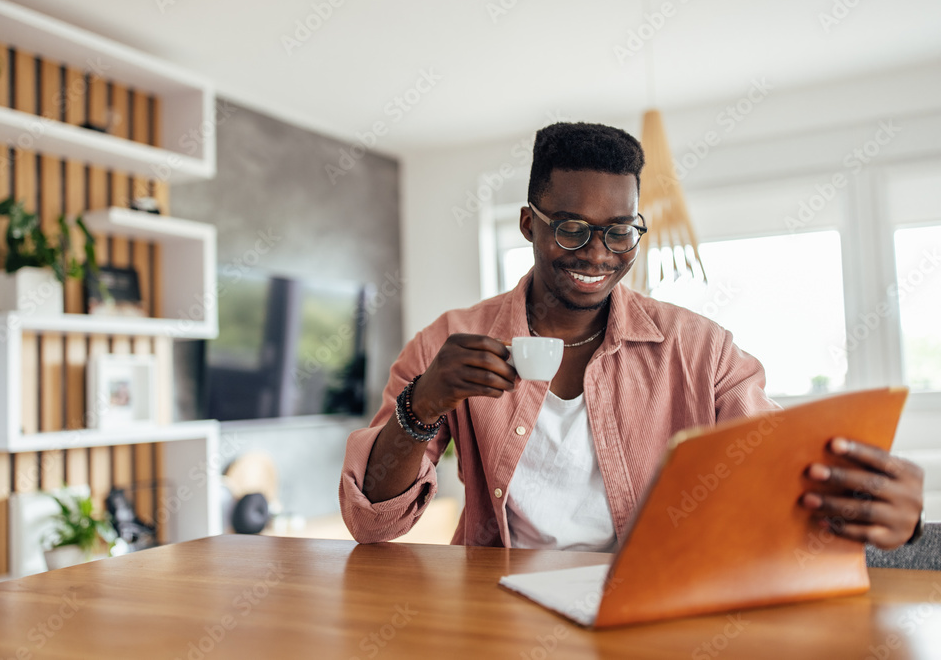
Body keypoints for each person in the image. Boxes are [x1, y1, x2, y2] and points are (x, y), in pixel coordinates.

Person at [339, 122, 925, 552]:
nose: (597, 253)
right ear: (528, 224)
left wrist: (890, 517)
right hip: (498, 604)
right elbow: (372, 525)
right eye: (571, 229)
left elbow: (771, 477)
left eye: (620, 231)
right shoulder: (448, 343)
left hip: (651, 599)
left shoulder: (702, 352)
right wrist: (422, 404)